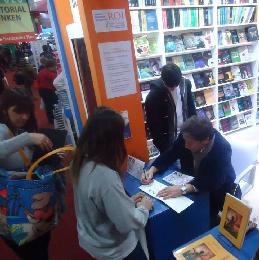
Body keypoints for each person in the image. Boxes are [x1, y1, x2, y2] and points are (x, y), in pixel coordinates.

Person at [71, 107, 153, 260]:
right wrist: (143, 209)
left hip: (95, 242)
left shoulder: (81, 161)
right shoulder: (105, 176)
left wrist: (125, 202)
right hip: (117, 251)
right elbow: (126, 223)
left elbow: (97, 204)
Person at [141, 116, 239, 227]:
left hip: (218, 191)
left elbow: (215, 181)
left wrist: (184, 188)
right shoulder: (187, 136)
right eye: (185, 141)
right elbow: (171, 153)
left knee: (208, 224)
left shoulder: (222, 148)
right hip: (193, 181)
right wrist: (152, 169)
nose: (186, 145)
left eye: (190, 143)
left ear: (205, 140)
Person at [0, 87, 54, 260]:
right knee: (31, 251)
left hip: (32, 199)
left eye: (27, 112)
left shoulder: (19, 128)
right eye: (18, 112)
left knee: (41, 244)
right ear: (4, 110)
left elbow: (26, 158)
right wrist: (28, 138)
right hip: (13, 205)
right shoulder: (2, 129)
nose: (24, 117)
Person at [145, 63, 196, 153]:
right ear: (163, 80)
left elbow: (191, 108)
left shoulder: (186, 84)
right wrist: (162, 146)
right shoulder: (153, 95)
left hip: (187, 135)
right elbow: (153, 123)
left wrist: (195, 131)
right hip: (167, 140)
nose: (173, 88)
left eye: (176, 85)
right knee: (172, 164)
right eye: (170, 86)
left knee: (188, 163)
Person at [37, 59, 58, 124]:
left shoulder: (41, 71)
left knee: (47, 104)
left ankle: (50, 119)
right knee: (55, 103)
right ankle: (55, 118)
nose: (56, 67)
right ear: (51, 67)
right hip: (49, 90)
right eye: (55, 66)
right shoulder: (51, 73)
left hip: (42, 90)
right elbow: (55, 83)